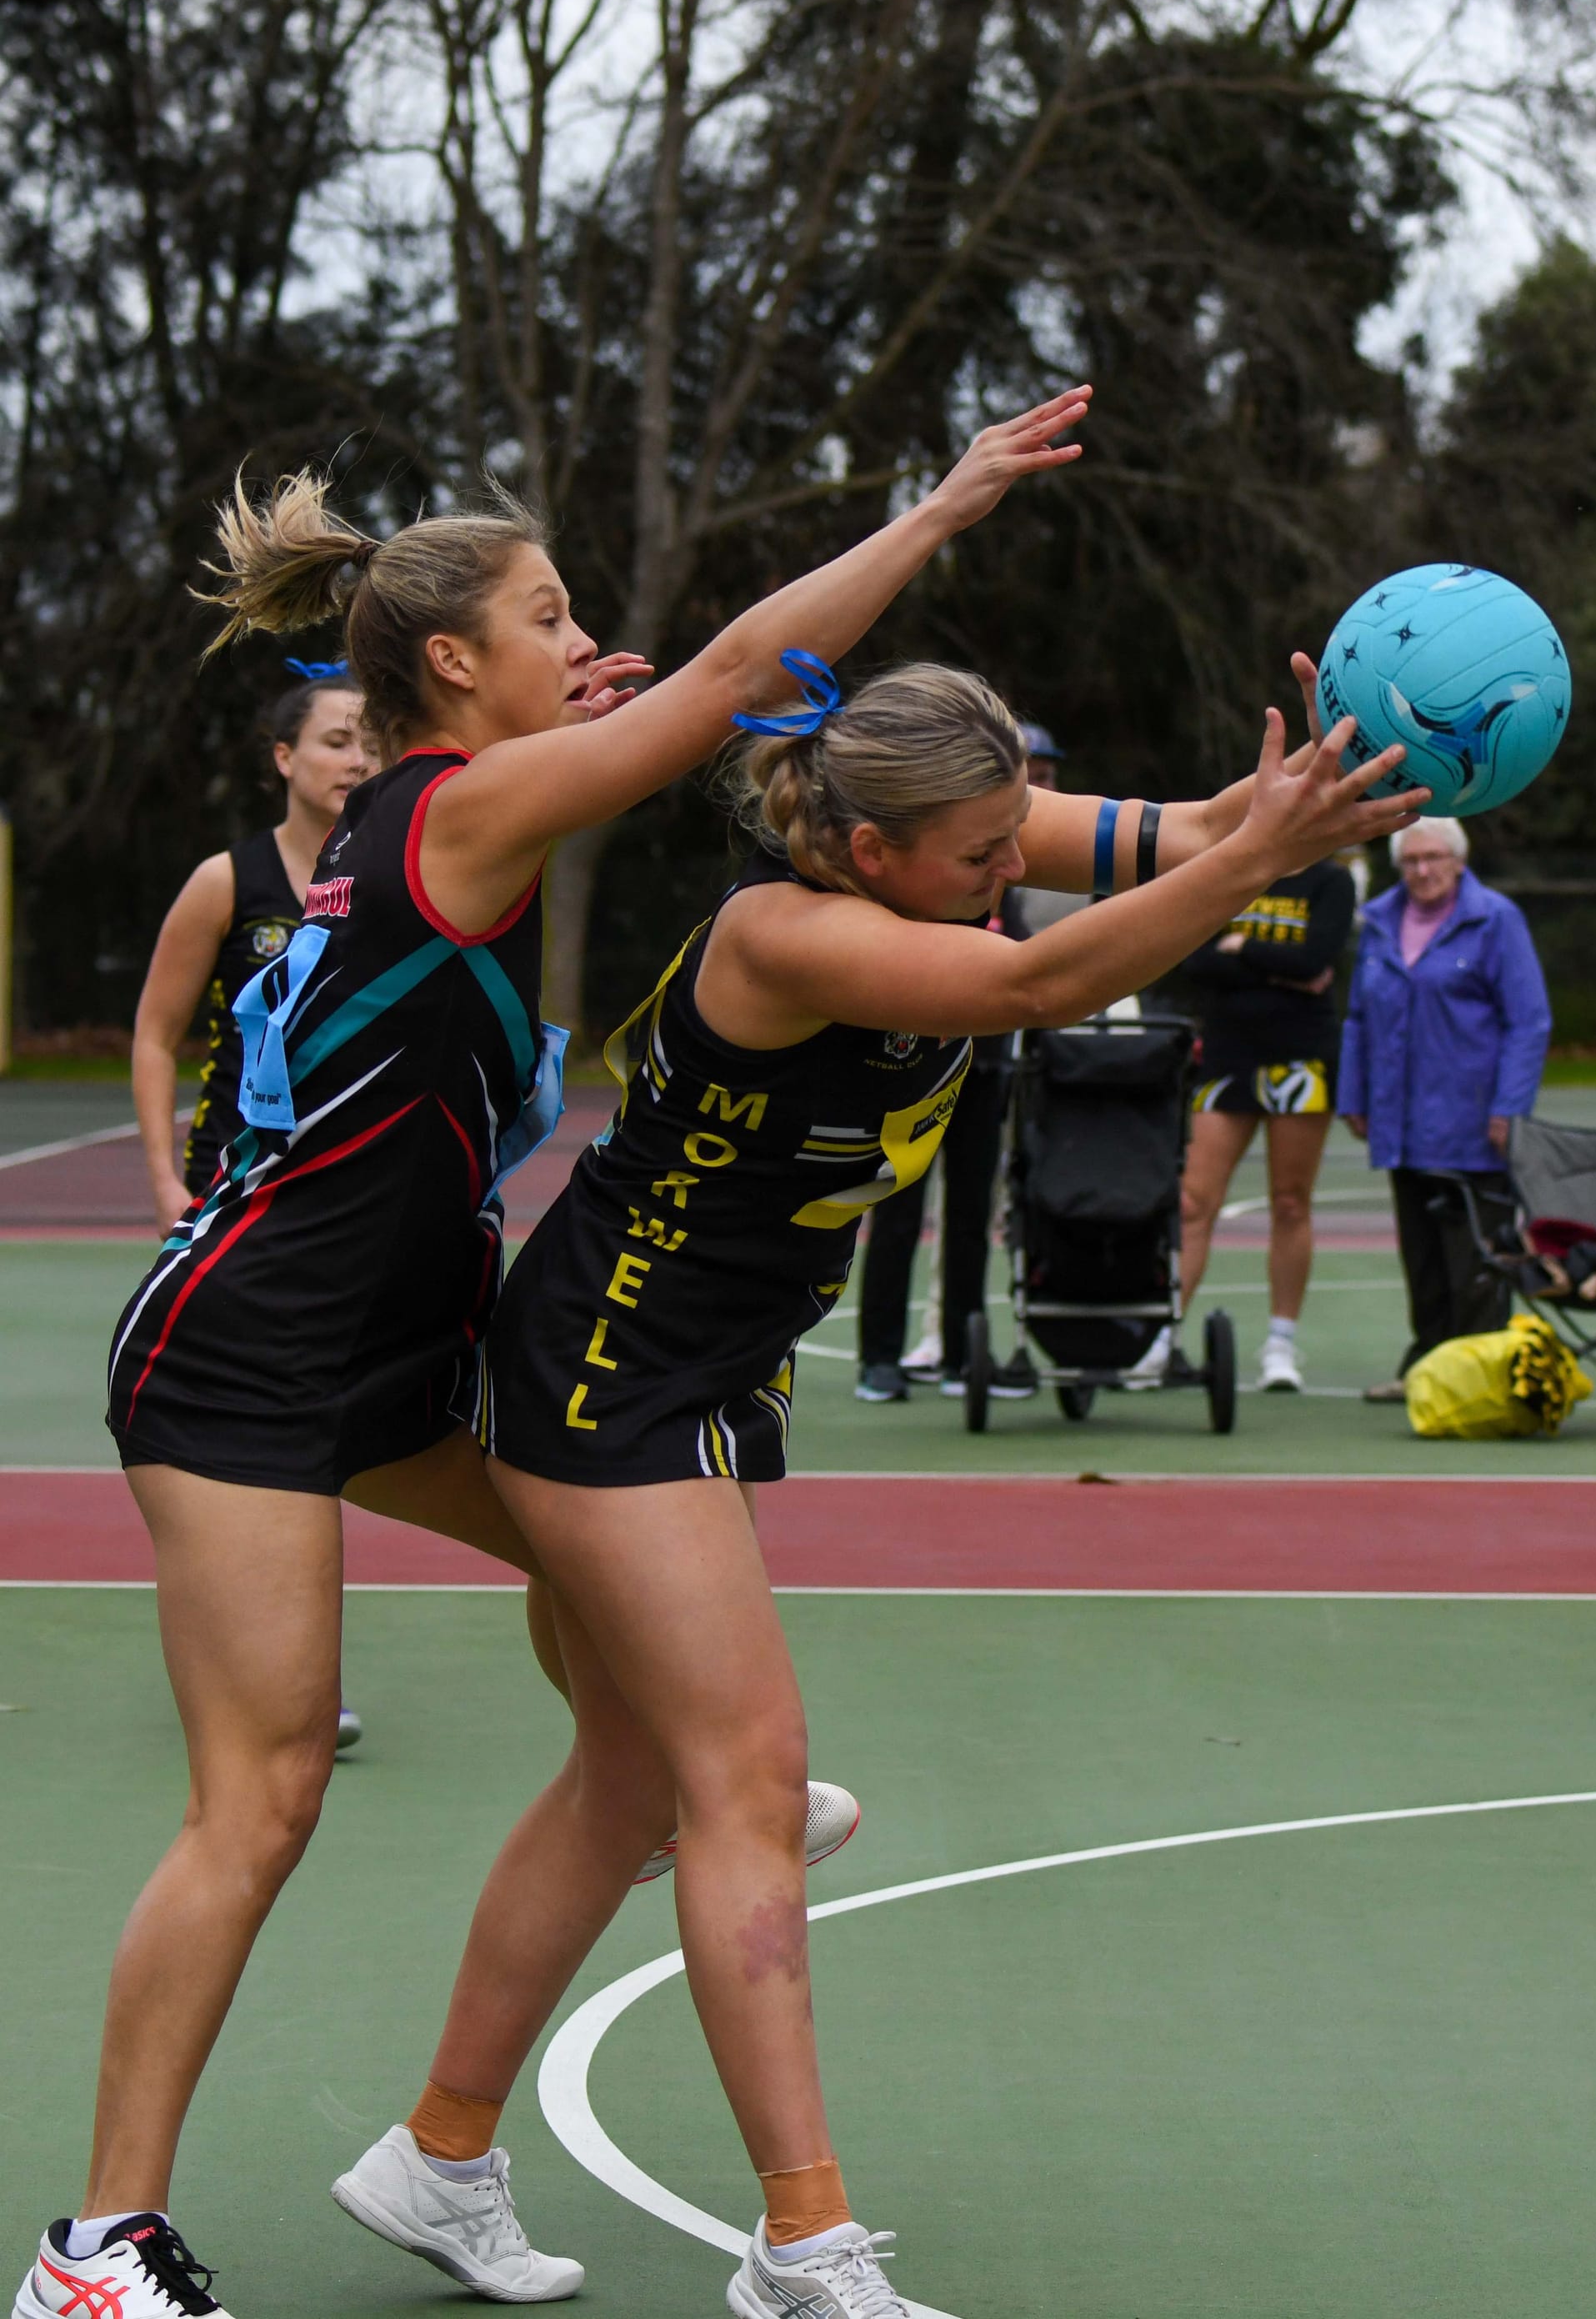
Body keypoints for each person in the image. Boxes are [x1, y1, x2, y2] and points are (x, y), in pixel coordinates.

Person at [16, 388, 1092, 2319]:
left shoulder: (470, 797)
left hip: (395, 1344)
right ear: (453, 661)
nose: (580, 637)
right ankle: (98, 2244)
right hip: (249, 1354)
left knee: (630, 1616)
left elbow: (728, 705)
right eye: (547, 613)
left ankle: (558, 1997)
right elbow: (754, 664)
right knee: (260, 1790)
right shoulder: (458, 805)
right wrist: (934, 506)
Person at [330, 662, 1425, 2319]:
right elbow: (1049, 976)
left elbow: (1185, 831)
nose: (1008, 870)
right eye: (979, 855)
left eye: (1013, 839)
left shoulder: (939, 825)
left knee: (632, 1788)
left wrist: (1291, 805)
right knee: (749, 1785)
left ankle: (441, 2154)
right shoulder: (780, 932)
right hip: (611, 1371)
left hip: (696, 1364)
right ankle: (803, 2245)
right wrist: (1246, 866)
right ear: (862, 843)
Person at [853, 722, 1073, 1403]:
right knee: (897, 1211)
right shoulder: (921, 890)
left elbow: (1037, 967)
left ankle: (958, 1352)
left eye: (1044, 772)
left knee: (972, 1212)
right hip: (910, 1069)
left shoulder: (1010, 893)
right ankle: (880, 1360)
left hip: (986, 1070)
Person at [133, 669, 373, 1237]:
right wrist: (164, 1180)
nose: (358, 760)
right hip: (230, 1174)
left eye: (371, 743)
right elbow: (155, 1038)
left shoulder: (397, 878)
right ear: (285, 757)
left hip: (353, 1175)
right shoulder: (225, 881)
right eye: (337, 742)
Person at [1338, 814, 1553, 1401]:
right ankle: (1426, 1370)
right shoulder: (1380, 922)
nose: (1422, 871)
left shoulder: (1495, 921)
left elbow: (1528, 1021)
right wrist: (1353, 1096)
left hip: (1472, 1123)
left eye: (1433, 858)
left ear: (1458, 861)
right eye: (1411, 861)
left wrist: (1510, 1106)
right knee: (1423, 1256)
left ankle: (1480, 1378)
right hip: (1401, 1123)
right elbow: (1358, 1017)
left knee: (1477, 1259)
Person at [1133, 858, 1356, 1392]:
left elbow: (1317, 961)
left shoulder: (1331, 882)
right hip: (1228, 1054)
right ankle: (1161, 1340)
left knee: (1289, 1201)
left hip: (1300, 1056)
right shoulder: (1239, 871)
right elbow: (1198, 960)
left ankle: (1281, 1344)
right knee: (1193, 1202)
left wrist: (1244, 950)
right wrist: (1278, 967)